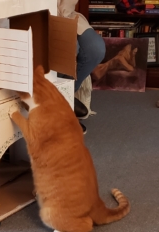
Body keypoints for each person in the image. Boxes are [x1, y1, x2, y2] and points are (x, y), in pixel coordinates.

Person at [57, 0, 106, 133]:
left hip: (67, 14)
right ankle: (60, 108)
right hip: (36, 16)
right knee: (71, 47)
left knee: (95, 49)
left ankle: (63, 97)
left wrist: (65, 20)